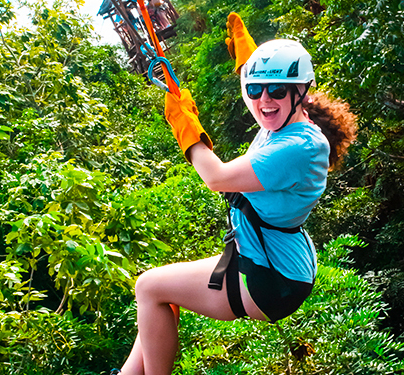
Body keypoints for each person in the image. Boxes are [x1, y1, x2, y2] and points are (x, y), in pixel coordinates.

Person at [113, 12, 357, 375]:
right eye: (254, 89)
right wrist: (249, 62)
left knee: (149, 287)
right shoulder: (288, 122)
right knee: (159, 293)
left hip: (271, 277)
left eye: (276, 90)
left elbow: (216, 177)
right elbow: (264, 92)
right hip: (273, 260)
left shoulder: (298, 148)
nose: (263, 101)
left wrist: (186, 126)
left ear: (301, 92)